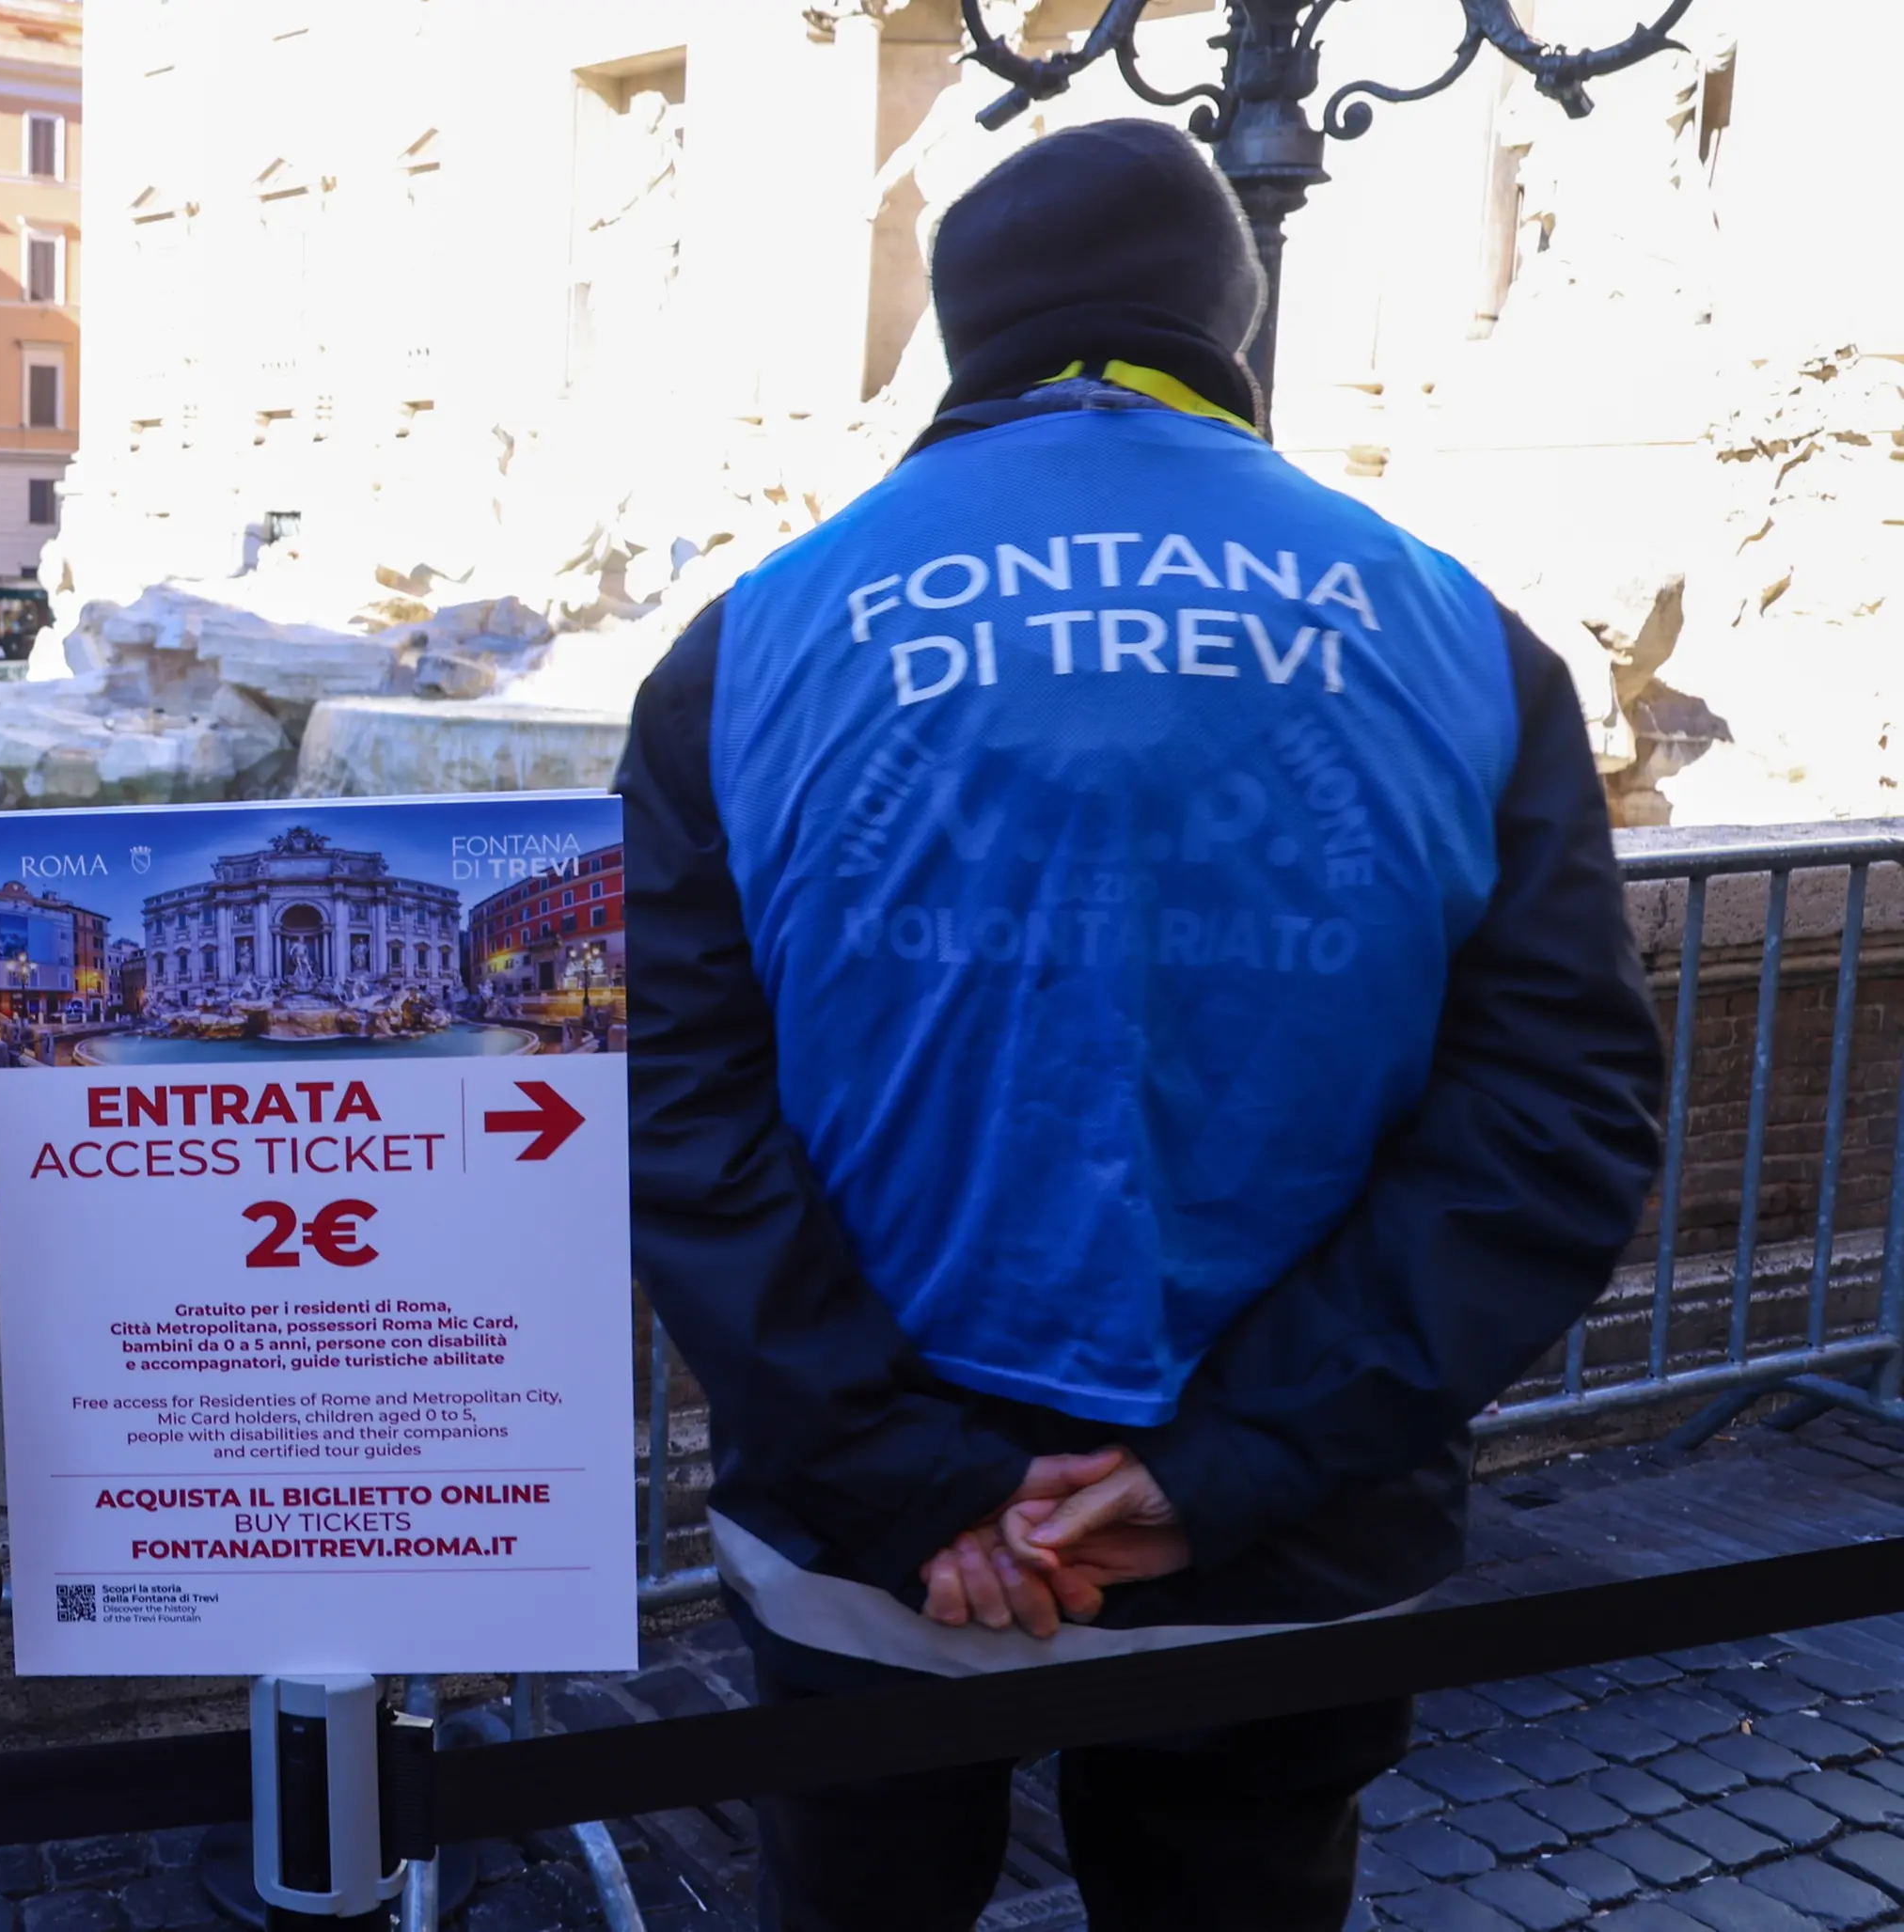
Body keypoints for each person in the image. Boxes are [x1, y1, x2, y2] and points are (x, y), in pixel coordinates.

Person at [614, 121, 1666, 1932]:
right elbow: (1559, 1107)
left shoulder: (750, 640)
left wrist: (919, 1477)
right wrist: (1224, 1470)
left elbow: (668, 1102)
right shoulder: (1463, 636)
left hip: (874, 1544)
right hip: (1293, 1523)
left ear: (960, 335)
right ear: (1234, 323)